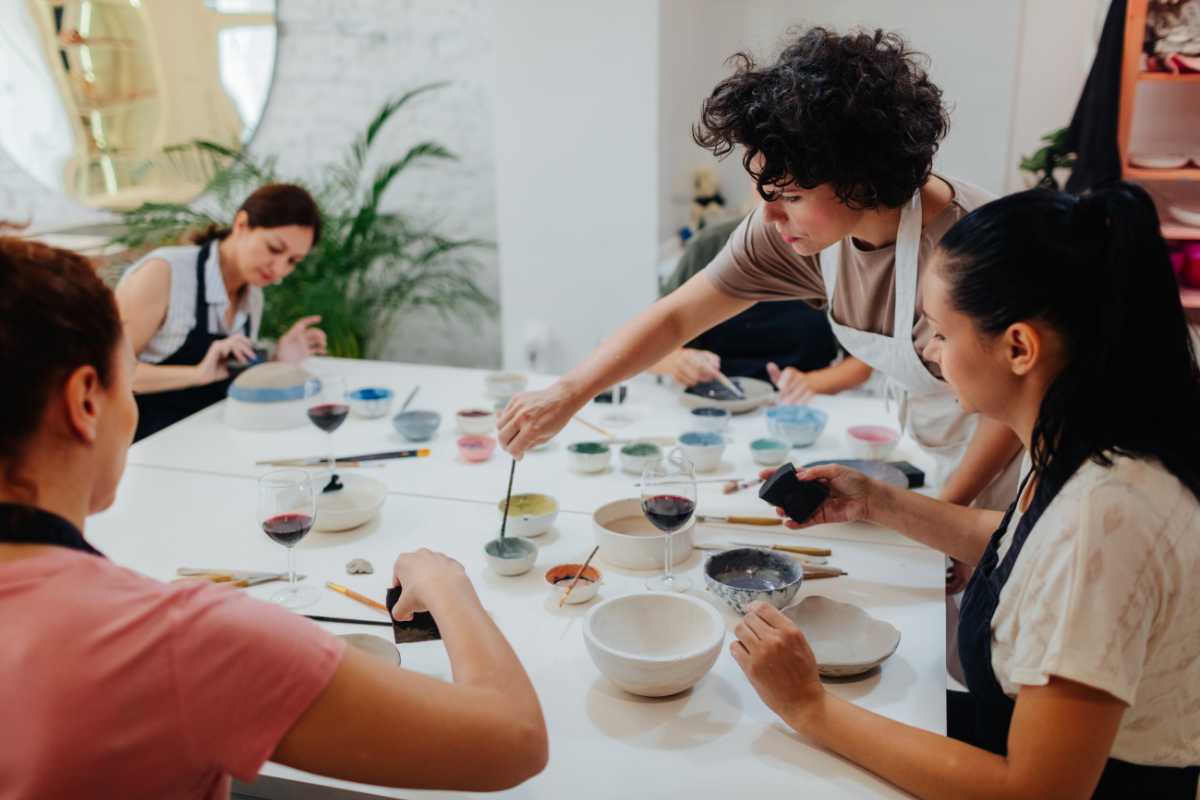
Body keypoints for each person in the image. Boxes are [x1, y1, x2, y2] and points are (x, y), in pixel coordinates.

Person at [0, 234, 548, 797]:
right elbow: (515, 738)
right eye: (129, 372)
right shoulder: (171, 639)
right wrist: (447, 585)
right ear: (86, 400)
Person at [739, 184, 1200, 798]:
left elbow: (1037, 791)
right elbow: (1026, 548)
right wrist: (877, 501)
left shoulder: (1107, 518)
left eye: (942, 333)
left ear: (1018, 348)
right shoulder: (1080, 441)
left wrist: (809, 708)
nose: (929, 351)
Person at [499, 27, 1023, 515]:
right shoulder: (789, 229)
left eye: (790, 196)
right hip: (931, 454)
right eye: (766, 192)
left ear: (861, 181)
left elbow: (1010, 408)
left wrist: (942, 518)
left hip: (1006, 468)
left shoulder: (971, 248)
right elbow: (676, 320)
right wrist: (569, 392)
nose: (769, 215)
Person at [116, 183, 329, 441]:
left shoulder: (253, 297)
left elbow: (231, 383)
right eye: (274, 249)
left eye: (293, 261)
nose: (279, 268)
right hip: (147, 447)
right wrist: (195, 375)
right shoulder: (163, 273)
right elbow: (112, 374)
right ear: (241, 224)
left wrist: (279, 361)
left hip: (212, 440)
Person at [648, 215, 872, 394]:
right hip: (715, 404)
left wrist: (811, 383)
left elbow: (862, 363)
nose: (774, 211)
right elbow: (653, 343)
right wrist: (680, 362)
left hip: (801, 408)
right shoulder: (709, 245)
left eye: (794, 196)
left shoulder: (839, 254)